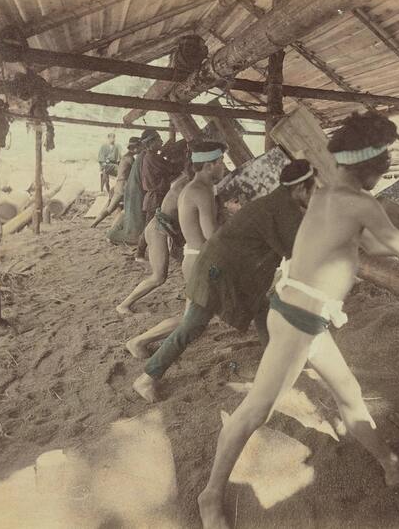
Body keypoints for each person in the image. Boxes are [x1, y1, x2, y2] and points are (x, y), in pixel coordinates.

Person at [197, 112, 399, 529]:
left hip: (298, 314)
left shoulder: (324, 195)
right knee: (255, 411)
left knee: (349, 392)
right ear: (371, 167)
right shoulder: (361, 203)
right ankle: (210, 496)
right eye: (381, 169)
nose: (381, 176)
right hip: (299, 321)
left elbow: (369, 246)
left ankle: (391, 464)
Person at [130, 160, 317, 403]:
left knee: (262, 308)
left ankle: (277, 364)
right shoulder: (284, 210)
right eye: (313, 190)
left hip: (225, 268)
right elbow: (298, 253)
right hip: (217, 272)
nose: (313, 195)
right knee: (193, 325)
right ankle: (147, 377)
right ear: (301, 188)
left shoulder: (276, 202)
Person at [116, 141, 226, 315]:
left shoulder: (190, 183)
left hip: (166, 228)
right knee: (159, 276)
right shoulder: (190, 186)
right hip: (159, 229)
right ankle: (124, 304)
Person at [135, 130, 180, 261]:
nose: (161, 141)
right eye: (158, 140)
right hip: (154, 198)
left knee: (165, 224)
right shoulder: (152, 157)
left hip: (157, 196)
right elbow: (170, 168)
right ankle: (139, 253)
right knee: (149, 226)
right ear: (151, 143)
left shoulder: (152, 156)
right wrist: (185, 161)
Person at [91, 136, 141, 228]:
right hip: (124, 186)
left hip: (119, 185)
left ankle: (95, 223)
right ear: (134, 148)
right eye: (140, 147)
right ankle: (106, 226)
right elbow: (136, 172)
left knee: (110, 207)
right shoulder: (130, 159)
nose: (141, 149)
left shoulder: (125, 157)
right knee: (114, 209)